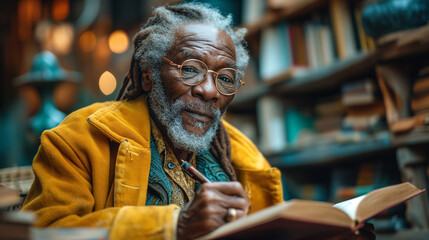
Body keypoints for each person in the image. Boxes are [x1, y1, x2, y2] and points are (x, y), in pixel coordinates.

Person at [22, 3, 374, 240]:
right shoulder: (80, 137)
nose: (209, 92)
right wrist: (174, 225)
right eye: (190, 70)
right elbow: (43, 232)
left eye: (225, 78)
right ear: (148, 76)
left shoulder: (241, 155)